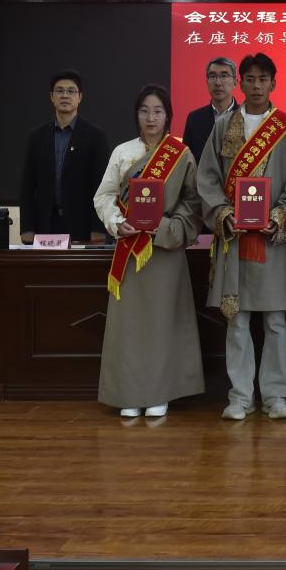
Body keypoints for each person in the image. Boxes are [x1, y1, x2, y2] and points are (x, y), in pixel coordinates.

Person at [198, 52, 286, 421]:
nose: (257, 85)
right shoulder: (223, 127)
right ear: (240, 83)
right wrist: (223, 213)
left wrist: (280, 215)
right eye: (250, 79)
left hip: (271, 240)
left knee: (275, 321)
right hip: (233, 240)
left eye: (263, 79)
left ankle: (276, 395)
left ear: (273, 83)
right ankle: (240, 397)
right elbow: (207, 178)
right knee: (237, 320)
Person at [93, 84, 205, 418]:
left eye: (157, 111)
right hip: (130, 251)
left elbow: (193, 203)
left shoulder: (181, 154)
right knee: (129, 327)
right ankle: (128, 393)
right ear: (136, 115)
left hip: (165, 251)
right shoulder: (123, 153)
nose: (151, 117)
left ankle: (161, 393)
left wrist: (167, 228)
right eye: (144, 111)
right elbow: (104, 196)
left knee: (163, 325)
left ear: (168, 116)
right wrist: (117, 223)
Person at [19, 70, 109, 244]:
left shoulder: (96, 137)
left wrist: (98, 228)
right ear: (52, 97)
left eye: (71, 91)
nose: (65, 95)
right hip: (45, 225)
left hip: (82, 226)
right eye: (59, 91)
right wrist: (27, 228)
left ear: (80, 97)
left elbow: (102, 186)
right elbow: (27, 186)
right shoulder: (37, 137)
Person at [182, 57, 240, 163]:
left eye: (224, 76)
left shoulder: (246, 116)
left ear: (235, 82)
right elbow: (186, 161)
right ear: (207, 82)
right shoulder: (194, 119)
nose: (218, 82)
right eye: (213, 76)